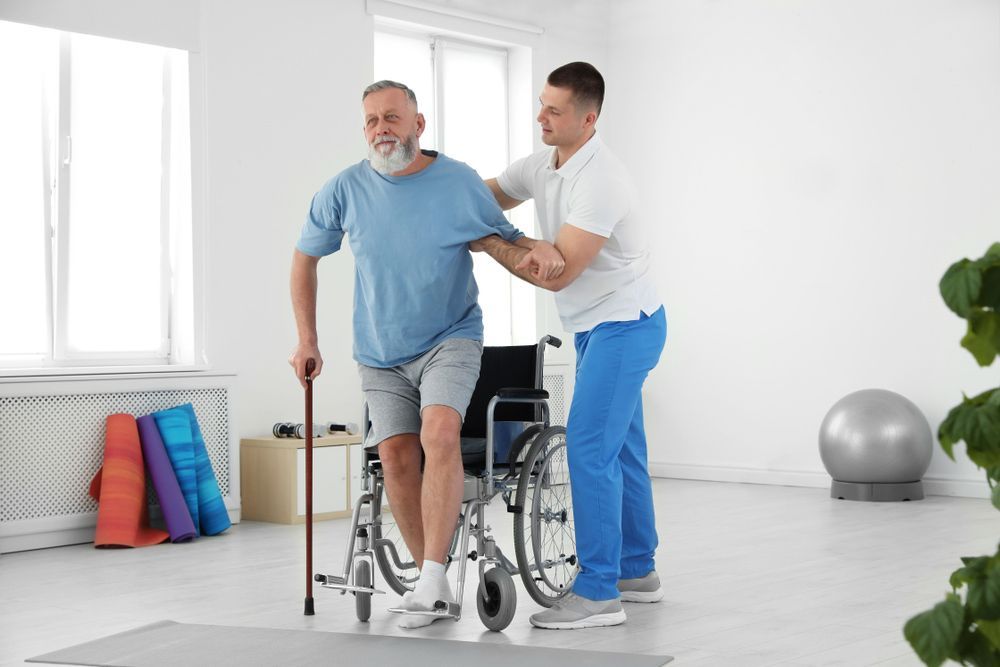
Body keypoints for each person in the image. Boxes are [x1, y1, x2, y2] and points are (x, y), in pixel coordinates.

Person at [288, 80, 548, 629]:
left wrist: (542, 250)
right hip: (379, 352)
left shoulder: (458, 183)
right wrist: (307, 338)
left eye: (391, 118)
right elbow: (304, 259)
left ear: (418, 124)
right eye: (371, 121)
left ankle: (430, 577)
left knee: (439, 433)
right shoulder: (345, 189)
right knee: (398, 457)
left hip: (450, 336)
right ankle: (435, 582)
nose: (381, 129)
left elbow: (508, 237)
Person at [472, 62, 667, 630]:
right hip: (596, 327)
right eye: (541, 104)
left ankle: (600, 591)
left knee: (588, 448)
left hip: (625, 325)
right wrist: (438, 194)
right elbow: (487, 197)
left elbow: (558, 274)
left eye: (554, 111)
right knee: (621, 450)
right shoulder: (542, 165)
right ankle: (637, 570)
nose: (541, 117)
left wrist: (490, 242)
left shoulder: (602, 179)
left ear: (589, 117)